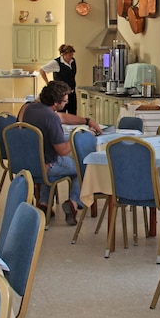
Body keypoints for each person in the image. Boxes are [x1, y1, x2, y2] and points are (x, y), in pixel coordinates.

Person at [20, 81, 96, 226]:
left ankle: (44, 204)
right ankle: (73, 202)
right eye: (65, 101)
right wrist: (77, 136)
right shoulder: (51, 118)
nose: (66, 104)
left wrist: (87, 121)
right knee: (83, 166)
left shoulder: (31, 108)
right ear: (55, 102)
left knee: (53, 164)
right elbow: (62, 150)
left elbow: (62, 117)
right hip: (49, 165)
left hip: (30, 162)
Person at [41, 44, 78, 115]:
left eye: (72, 55)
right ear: (64, 54)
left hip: (71, 92)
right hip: (61, 94)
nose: (71, 57)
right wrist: (47, 83)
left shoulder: (72, 61)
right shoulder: (56, 63)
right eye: (70, 55)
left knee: (73, 113)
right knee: (61, 114)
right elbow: (42, 70)